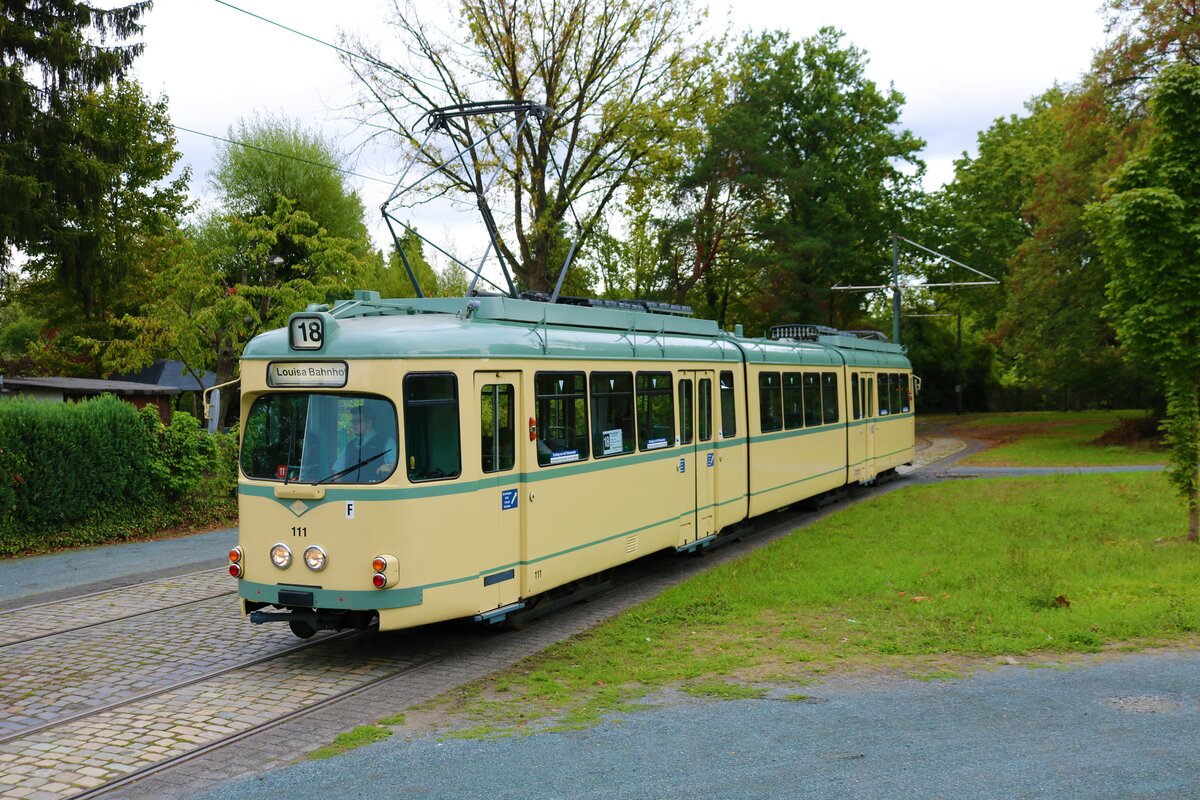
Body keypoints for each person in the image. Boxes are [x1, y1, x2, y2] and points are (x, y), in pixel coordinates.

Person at [337, 405, 397, 482]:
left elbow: (396, 465)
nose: (354, 424)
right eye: (353, 421)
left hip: (374, 491)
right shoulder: (349, 445)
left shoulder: (386, 441)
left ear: (369, 422)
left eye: (358, 421)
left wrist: (388, 466)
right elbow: (338, 472)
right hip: (349, 491)